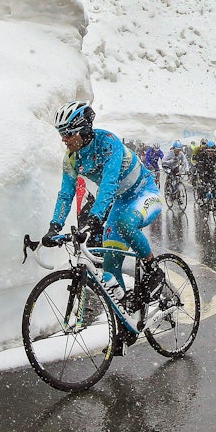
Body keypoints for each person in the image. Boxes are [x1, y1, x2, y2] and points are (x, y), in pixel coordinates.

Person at [43, 101, 164, 308]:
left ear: (84, 129)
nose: (64, 139)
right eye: (61, 133)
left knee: (126, 224)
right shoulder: (71, 158)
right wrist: (55, 225)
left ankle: (153, 269)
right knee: (110, 266)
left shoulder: (108, 142)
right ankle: (125, 316)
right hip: (121, 201)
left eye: (69, 133)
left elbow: (109, 184)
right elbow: (65, 194)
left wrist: (96, 217)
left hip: (144, 192)